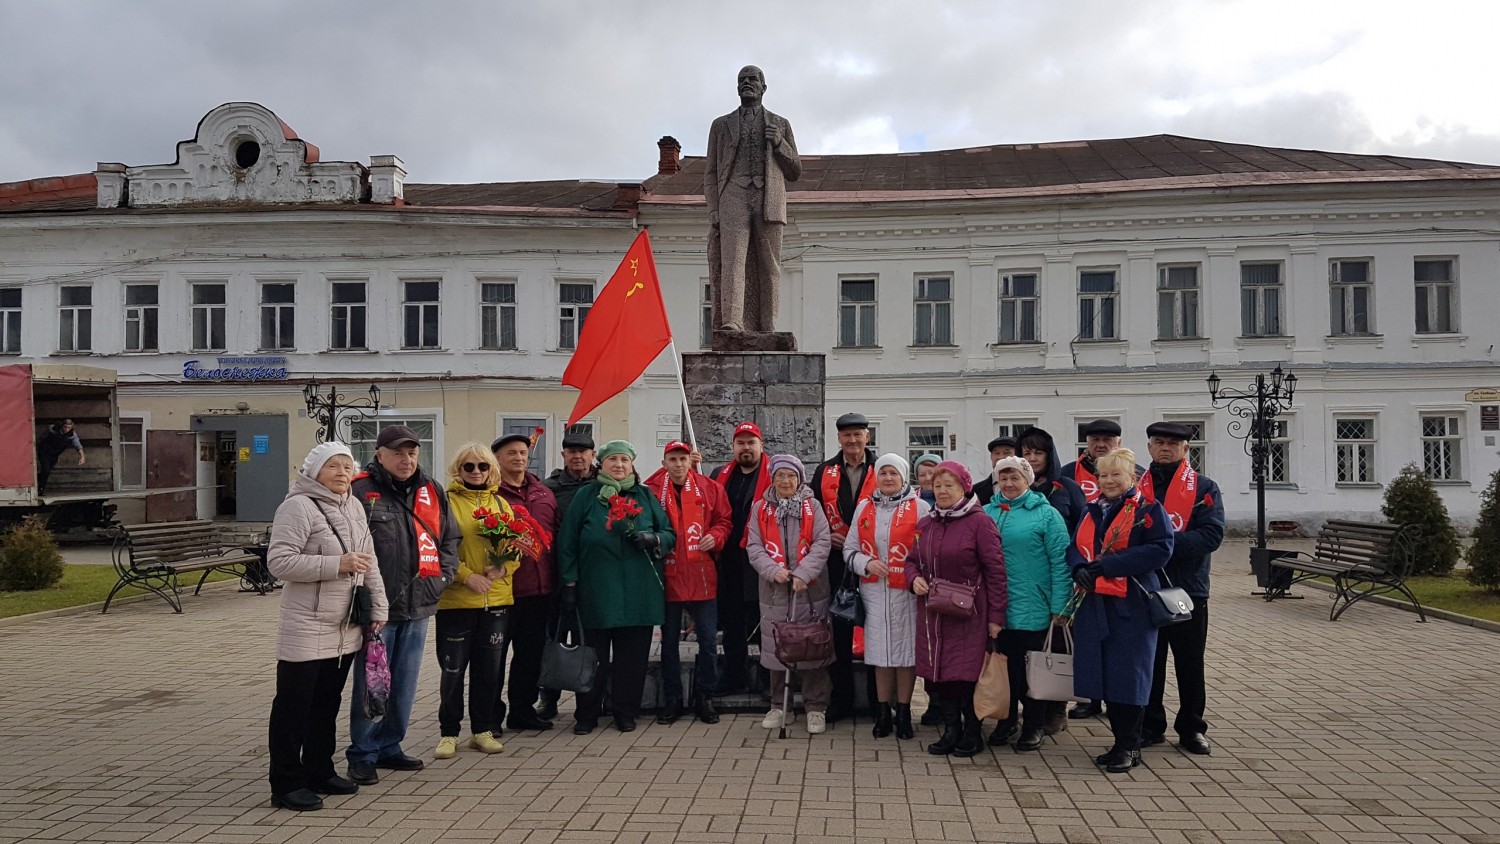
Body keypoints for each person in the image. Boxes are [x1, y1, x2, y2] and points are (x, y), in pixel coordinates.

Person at [265, 442, 388, 812]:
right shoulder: (297, 506)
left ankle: (320, 769)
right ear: (313, 471)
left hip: (344, 623)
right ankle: (286, 783)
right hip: (305, 624)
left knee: (325, 703)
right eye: (332, 466)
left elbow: (368, 561)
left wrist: (379, 604)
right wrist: (336, 564)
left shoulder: (352, 505)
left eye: (346, 466)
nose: (341, 473)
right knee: (293, 706)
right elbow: (279, 563)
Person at [346, 425, 460, 787]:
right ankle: (362, 753)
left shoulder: (431, 490)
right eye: (397, 453)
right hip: (377, 609)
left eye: (412, 452)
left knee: (405, 683)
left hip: (420, 603)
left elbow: (449, 538)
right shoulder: (360, 490)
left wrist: (443, 576)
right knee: (373, 683)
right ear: (379, 454)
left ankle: (390, 745)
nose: (406, 459)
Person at [1067, 447, 1175, 773]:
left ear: (1133, 477)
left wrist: (1107, 566)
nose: (1109, 480)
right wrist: (1078, 569)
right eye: (1103, 474)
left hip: (1132, 605)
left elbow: (1160, 549)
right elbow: (1074, 547)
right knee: (1104, 674)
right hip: (1095, 603)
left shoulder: (1148, 510)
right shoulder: (1092, 510)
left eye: (1116, 474)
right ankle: (1119, 740)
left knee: (1129, 675)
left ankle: (1130, 745)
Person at [557, 440, 675, 734]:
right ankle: (586, 713)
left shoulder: (645, 496)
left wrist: (653, 539)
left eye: (624, 459)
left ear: (632, 464)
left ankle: (625, 712)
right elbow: (567, 542)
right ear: (602, 463)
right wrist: (569, 583)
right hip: (596, 591)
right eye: (612, 460)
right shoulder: (587, 496)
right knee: (592, 656)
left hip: (639, 592)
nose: (619, 465)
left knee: (632, 659)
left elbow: (668, 532)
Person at [434, 443, 534, 760]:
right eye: (469, 466)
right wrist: (465, 576)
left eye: (482, 466)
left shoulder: (501, 504)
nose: (476, 472)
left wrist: (505, 566)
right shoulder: (445, 503)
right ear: (457, 470)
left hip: (497, 599)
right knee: (452, 671)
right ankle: (449, 732)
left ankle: (482, 729)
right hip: (458, 600)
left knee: (489, 670)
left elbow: (517, 547)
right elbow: (437, 549)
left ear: (492, 470)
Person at [908, 461, 1007, 757]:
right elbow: (912, 560)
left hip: (970, 613)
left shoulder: (980, 522)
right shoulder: (927, 523)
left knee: (967, 674)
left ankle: (972, 733)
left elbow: (996, 572)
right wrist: (913, 579)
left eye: (949, 485)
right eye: (937, 485)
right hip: (935, 612)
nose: (941, 491)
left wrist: (996, 617)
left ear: (964, 487)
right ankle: (950, 730)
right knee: (940, 674)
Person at [1139, 422, 1225, 757]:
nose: (1165, 448)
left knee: (1189, 663)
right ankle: (1150, 724)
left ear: (1186, 449)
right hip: (1145, 588)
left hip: (1188, 589)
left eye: (1173, 444)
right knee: (1150, 660)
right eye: (1159, 442)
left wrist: (1160, 545)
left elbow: (1211, 536)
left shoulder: (1204, 488)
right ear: (1149, 447)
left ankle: (1191, 728)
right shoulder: (1136, 486)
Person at [981, 456, 1071, 752]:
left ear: (1027, 480)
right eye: (1003, 478)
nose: (1008, 483)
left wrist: (1061, 606)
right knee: (1005, 669)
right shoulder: (986, 512)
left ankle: (1034, 725)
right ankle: (1006, 721)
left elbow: (1061, 562)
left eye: (1015, 477)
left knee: (1033, 669)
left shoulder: (1046, 514)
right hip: (998, 606)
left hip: (1035, 604)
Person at [704, 64, 802, 335]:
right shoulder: (720, 125)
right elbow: (710, 172)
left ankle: (767, 324)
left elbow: (795, 170)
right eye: (742, 80)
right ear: (737, 88)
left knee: (769, 263)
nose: (747, 83)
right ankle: (732, 321)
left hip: (768, 196)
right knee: (732, 261)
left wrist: (780, 143)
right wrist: (713, 210)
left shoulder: (780, 124)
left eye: (753, 79)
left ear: (764, 87)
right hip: (732, 195)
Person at [645, 440, 733, 725]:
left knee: (707, 640)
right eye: (673, 459)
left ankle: (703, 696)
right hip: (668, 576)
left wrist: (716, 536)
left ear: (690, 461)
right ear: (664, 463)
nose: (679, 465)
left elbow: (725, 521)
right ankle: (673, 698)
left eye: (683, 459)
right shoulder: (653, 490)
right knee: (668, 641)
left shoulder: (710, 488)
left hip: (702, 575)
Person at [1059, 419, 1141, 721]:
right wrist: (1077, 564)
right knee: (1088, 646)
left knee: (1120, 654)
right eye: (1094, 439)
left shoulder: (1140, 490)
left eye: (1108, 438)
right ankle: (1089, 698)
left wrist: (1107, 564)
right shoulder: (1068, 474)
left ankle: (1122, 709)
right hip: (1084, 577)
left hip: (1124, 585)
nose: (1100, 444)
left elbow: (1154, 542)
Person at [844, 454, 929, 740]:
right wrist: (865, 563)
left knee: (906, 655)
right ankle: (882, 713)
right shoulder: (864, 508)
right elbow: (849, 549)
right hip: (873, 590)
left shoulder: (920, 508)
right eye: (883, 473)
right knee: (879, 654)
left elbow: (928, 552)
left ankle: (904, 712)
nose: (888, 478)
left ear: (904, 477)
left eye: (894, 473)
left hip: (906, 592)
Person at [746, 454, 833, 734]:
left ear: (800, 479)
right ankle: (779, 705)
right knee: (776, 647)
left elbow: (822, 541)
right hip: (774, 590)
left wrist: (803, 573)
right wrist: (773, 571)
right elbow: (754, 546)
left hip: (810, 589)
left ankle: (815, 707)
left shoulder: (813, 506)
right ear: (772, 479)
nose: (786, 481)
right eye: (780, 476)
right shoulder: (760, 508)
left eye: (791, 476)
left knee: (811, 644)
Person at [1015, 426, 1089, 735]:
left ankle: (1056, 706)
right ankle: (1030, 706)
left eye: (1038, 452)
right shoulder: (1014, 488)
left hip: (1061, 575)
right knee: (1027, 647)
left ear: (1049, 455)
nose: (1032, 458)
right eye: (1026, 452)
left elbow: (1085, 528)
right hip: (1023, 582)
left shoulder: (1066, 487)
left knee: (1058, 644)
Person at [492, 433, 561, 730]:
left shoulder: (543, 492)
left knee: (530, 656)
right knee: (494, 659)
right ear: (497, 458)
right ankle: (490, 717)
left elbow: (555, 535)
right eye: (511, 453)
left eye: (522, 452)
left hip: (539, 590)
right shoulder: (491, 492)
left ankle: (522, 711)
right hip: (503, 591)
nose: (519, 458)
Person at [812, 412, 878, 722]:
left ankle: (880, 700)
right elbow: (811, 512)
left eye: (858, 434)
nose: (853, 440)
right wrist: (829, 536)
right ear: (839, 438)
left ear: (868, 437)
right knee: (838, 630)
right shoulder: (825, 470)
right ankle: (842, 697)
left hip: (874, 562)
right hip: (837, 562)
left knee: (877, 629)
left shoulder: (884, 468)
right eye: (847, 435)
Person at [708, 421, 772, 695]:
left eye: (751, 442)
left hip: (762, 558)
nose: (746, 448)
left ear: (761, 446)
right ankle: (735, 674)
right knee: (732, 621)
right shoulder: (718, 474)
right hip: (729, 559)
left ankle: (770, 677)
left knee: (766, 620)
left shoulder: (774, 474)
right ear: (733, 447)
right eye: (741, 443)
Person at [36, 418, 85, 495]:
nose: (66, 429)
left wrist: (82, 457)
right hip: (44, 452)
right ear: (62, 426)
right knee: (46, 470)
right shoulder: (52, 429)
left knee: (46, 472)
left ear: (72, 427)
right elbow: (40, 438)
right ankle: (41, 489)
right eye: (65, 427)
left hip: (54, 455)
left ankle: (38, 481)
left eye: (69, 427)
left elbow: (77, 445)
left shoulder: (72, 435)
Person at [970, 436, 1018, 505]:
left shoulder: (1031, 488)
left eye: (1007, 453)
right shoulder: (975, 491)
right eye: (997, 453)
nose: (1001, 457)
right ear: (991, 456)